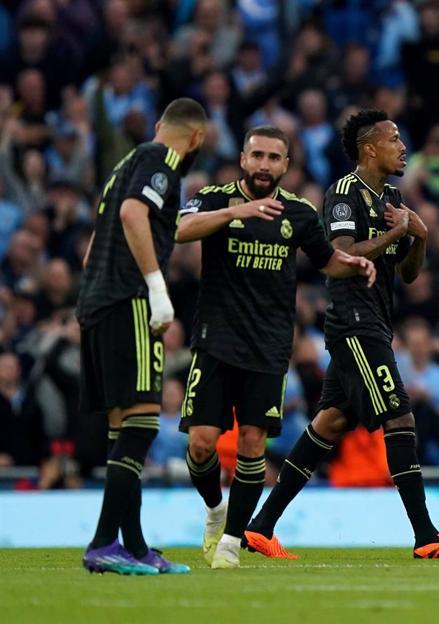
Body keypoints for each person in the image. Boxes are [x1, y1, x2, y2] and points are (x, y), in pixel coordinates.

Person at [244, 109, 439, 559]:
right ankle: (426, 535)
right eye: (394, 139)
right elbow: (341, 254)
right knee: (400, 418)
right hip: (354, 323)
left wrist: (420, 239)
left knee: (328, 423)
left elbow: (408, 276)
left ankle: (261, 525)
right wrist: (395, 234)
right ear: (370, 148)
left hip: (373, 322)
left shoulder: (390, 195)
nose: (402, 146)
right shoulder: (344, 194)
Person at [175, 125, 375, 569]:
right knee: (203, 445)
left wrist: (357, 262)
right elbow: (181, 230)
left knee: (251, 443)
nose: (264, 165)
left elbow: (327, 260)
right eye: (257, 156)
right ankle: (214, 509)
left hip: (268, 346)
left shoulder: (300, 213)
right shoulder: (214, 196)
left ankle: (230, 542)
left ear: (286, 165)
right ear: (243, 159)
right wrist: (237, 212)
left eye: (273, 158)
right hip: (216, 339)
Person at [77, 98, 207, 575]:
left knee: (123, 424)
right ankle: (103, 542)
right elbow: (134, 215)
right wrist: (155, 288)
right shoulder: (161, 161)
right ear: (196, 139)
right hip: (128, 299)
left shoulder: (125, 163)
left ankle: (133, 547)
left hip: (96, 300)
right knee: (143, 421)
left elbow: (97, 239)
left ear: (159, 125)